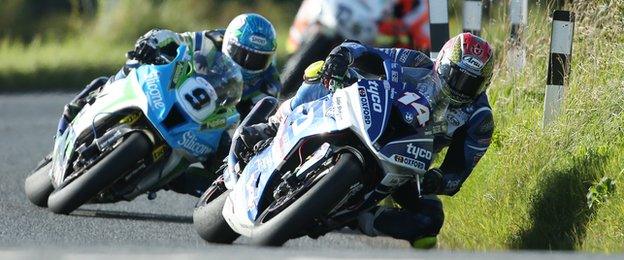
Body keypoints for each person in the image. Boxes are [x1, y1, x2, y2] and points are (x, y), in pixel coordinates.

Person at [236, 33, 495, 249]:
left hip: (407, 160)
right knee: (320, 72)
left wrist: (438, 179)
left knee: (429, 220)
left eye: (471, 83)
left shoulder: (479, 119)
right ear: (443, 62)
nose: (461, 87)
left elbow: (458, 171)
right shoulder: (416, 61)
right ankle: (271, 126)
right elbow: (365, 51)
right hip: (372, 116)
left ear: (484, 84)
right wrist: (342, 57)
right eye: (456, 75)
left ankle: (363, 215)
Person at [56, 13, 281, 197]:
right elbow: (178, 40)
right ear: (230, 43)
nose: (248, 63)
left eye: (258, 60)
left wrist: (241, 138)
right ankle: (82, 107)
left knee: (226, 173)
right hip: (179, 90)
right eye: (242, 54)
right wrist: (152, 42)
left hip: (213, 123)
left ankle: (170, 178)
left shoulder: (268, 85)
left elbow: (259, 121)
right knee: (126, 68)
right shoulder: (213, 40)